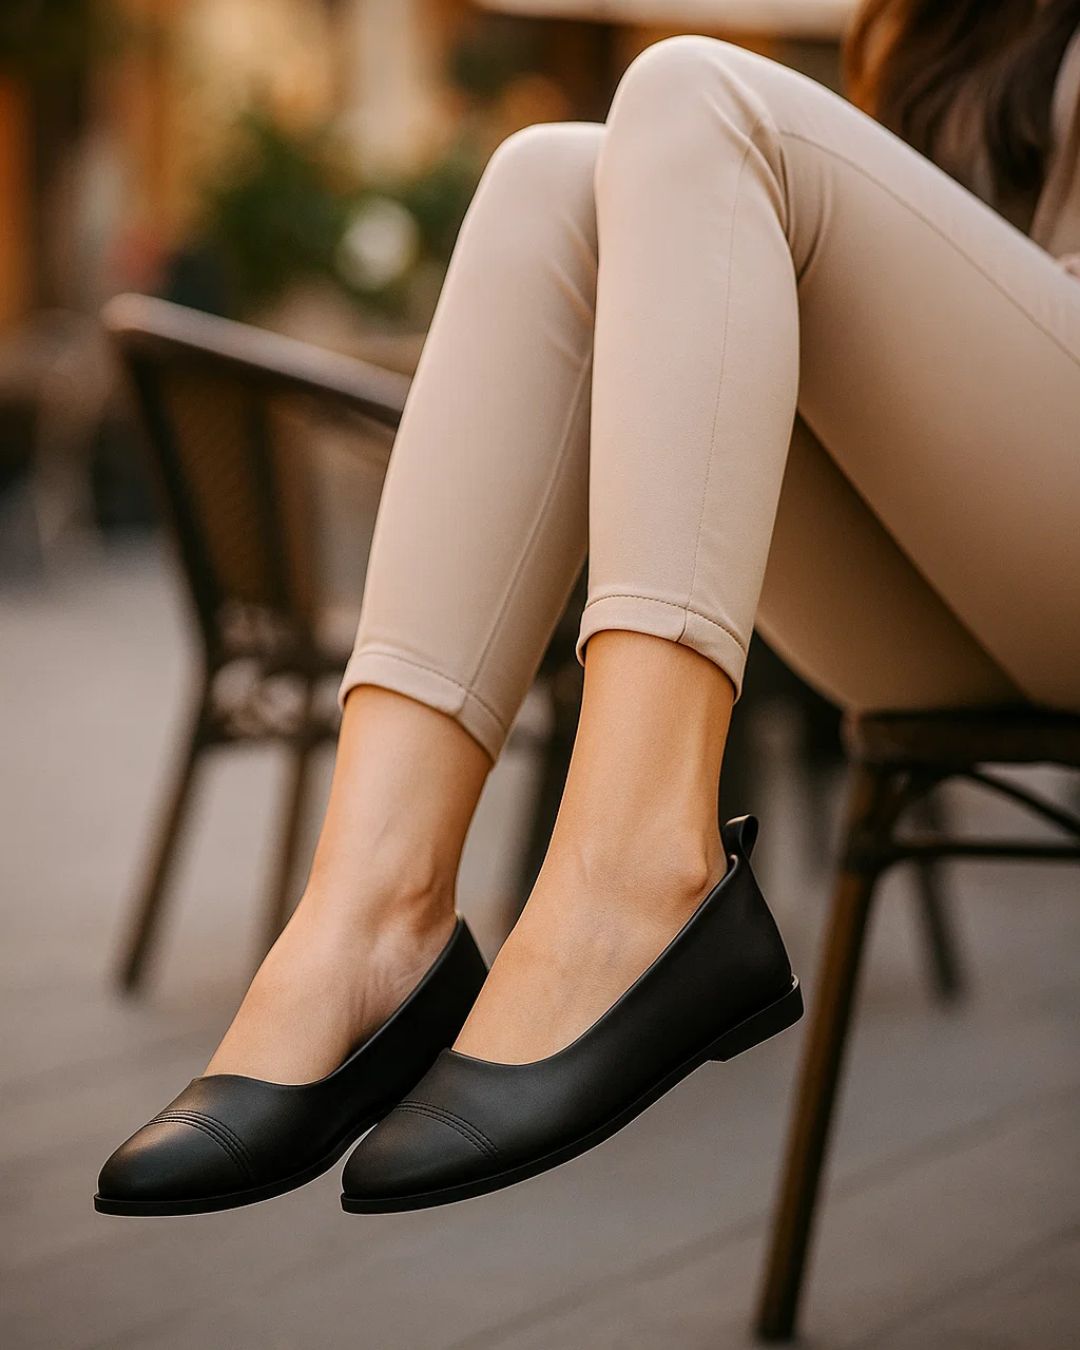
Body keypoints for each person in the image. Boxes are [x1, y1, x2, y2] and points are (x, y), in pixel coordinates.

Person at [96, 0, 1080, 1216]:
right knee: (550, 174)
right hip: (981, 575)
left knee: (691, 90)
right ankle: (372, 915)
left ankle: (640, 865)